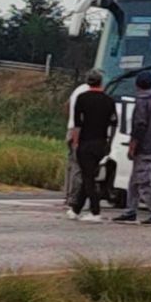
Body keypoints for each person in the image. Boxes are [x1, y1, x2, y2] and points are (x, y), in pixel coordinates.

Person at [115, 70, 151, 225]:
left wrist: (132, 146)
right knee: (134, 180)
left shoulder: (141, 101)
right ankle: (130, 210)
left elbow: (139, 125)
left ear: (137, 85)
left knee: (143, 180)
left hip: (144, 146)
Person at [68, 69, 118, 222]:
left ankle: (95, 211)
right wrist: (110, 142)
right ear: (101, 82)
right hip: (101, 142)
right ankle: (76, 209)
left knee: (88, 177)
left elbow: (77, 124)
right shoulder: (109, 100)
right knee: (88, 174)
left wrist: (75, 142)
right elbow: (114, 123)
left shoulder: (82, 99)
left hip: (86, 142)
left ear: (88, 82)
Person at [63, 76, 88, 211]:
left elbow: (66, 106)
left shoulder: (78, 90)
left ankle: (68, 194)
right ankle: (74, 197)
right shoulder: (88, 93)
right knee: (78, 166)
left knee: (72, 165)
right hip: (79, 131)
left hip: (70, 129)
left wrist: (70, 121)